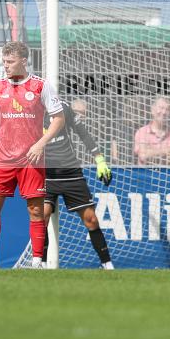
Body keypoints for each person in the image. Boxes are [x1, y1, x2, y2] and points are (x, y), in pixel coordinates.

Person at [0, 41, 65, 269]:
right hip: (2, 157)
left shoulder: (41, 86)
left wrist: (41, 143)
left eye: (10, 62)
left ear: (24, 60)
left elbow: (59, 119)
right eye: (4, 62)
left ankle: (37, 262)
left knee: (35, 210)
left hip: (30, 159)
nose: (6, 66)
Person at [43, 100, 115, 269]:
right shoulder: (30, 110)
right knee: (41, 217)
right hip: (44, 174)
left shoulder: (63, 108)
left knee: (91, 219)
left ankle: (107, 264)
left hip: (70, 172)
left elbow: (83, 133)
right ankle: (42, 265)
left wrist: (100, 160)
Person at [133, 96, 170, 165]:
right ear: (152, 110)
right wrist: (166, 150)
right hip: (146, 174)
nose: (164, 112)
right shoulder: (142, 132)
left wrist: (151, 152)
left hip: (169, 174)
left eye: (167, 109)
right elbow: (143, 156)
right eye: (161, 108)